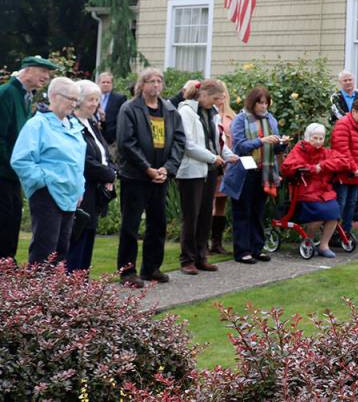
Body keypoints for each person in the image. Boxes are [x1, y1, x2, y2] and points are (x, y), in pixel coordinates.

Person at [116, 68, 186, 287]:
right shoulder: (130, 109)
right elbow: (126, 143)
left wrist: (168, 168)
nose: (156, 85)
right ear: (141, 85)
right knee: (131, 225)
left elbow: (179, 141)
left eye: (159, 81)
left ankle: (151, 268)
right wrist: (147, 169)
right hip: (135, 177)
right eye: (151, 81)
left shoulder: (170, 110)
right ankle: (127, 272)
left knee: (158, 224)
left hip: (161, 176)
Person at [10, 77, 86, 265]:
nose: (74, 104)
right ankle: (36, 293)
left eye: (77, 100)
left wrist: (79, 189)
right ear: (54, 96)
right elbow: (21, 160)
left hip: (69, 196)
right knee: (44, 251)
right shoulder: (37, 124)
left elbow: (77, 162)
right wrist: (44, 181)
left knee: (61, 250)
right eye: (71, 98)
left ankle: (54, 294)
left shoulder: (74, 126)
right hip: (47, 195)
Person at [222, 87, 289, 264]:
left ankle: (257, 248)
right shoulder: (240, 119)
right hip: (244, 172)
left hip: (263, 172)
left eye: (266, 102)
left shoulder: (271, 120)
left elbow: (274, 149)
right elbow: (239, 146)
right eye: (260, 102)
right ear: (252, 103)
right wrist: (261, 141)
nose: (263, 106)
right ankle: (242, 251)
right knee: (242, 212)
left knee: (258, 212)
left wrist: (282, 144)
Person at [176, 80, 237, 275]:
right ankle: (187, 259)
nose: (217, 103)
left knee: (205, 216)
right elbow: (188, 144)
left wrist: (228, 155)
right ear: (202, 95)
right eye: (214, 99)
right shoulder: (186, 111)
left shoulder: (212, 114)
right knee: (191, 215)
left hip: (210, 169)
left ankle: (201, 256)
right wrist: (213, 157)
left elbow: (217, 141)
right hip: (192, 171)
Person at [0, 55, 56, 260]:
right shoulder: (6, 93)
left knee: (12, 219)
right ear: (28, 70)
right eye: (43, 71)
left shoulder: (26, 96)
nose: (47, 77)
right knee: (5, 219)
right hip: (5, 172)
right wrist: (13, 166)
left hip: (14, 173)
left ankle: (7, 267)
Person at [65, 79, 117, 273]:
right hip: (82, 189)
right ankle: (71, 283)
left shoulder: (92, 123)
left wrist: (111, 172)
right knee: (78, 235)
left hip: (96, 190)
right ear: (78, 100)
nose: (95, 104)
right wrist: (109, 174)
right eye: (90, 100)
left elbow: (105, 152)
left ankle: (82, 284)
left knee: (89, 235)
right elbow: (84, 160)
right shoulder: (73, 124)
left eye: (97, 100)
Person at [281, 123, 343, 258]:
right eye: (315, 138)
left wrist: (324, 165)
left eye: (321, 138)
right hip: (305, 190)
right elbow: (287, 167)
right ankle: (308, 240)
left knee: (334, 212)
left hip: (322, 190)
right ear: (308, 137)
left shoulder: (325, 152)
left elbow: (342, 160)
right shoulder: (299, 149)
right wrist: (310, 168)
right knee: (320, 214)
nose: (318, 141)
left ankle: (324, 245)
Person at [331, 97, 358, 240]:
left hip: (356, 174)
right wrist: (354, 168)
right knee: (340, 204)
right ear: (354, 111)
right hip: (344, 173)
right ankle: (334, 234)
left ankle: (345, 233)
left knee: (351, 204)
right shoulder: (343, 125)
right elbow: (343, 151)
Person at [209, 82, 234, 255]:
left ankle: (216, 243)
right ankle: (203, 242)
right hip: (213, 164)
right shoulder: (209, 114)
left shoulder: (232, 116)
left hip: (228, 165)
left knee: (221, 204)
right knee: (208, 204)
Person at [96, 71, 127, 148]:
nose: (106, 84)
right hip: (94, 133)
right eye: (103, 82)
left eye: (108, 82)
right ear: (98, 83)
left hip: (110, 138)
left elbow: (122, 119)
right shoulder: (94, 97)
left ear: (112, 84)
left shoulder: (119, 98)